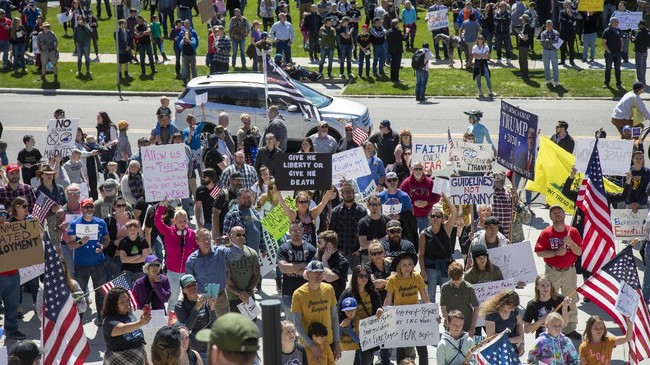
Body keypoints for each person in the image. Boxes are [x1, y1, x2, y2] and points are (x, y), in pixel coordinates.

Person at [534, 204, 583, 340]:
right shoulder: (546, 233)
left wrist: (571, 243)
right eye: (554, 212)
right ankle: (550, 326)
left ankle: (570, 328)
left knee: (571, 299)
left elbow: (579, 251)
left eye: (559, 212)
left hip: (569, 271)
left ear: (564, 214)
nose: (557, 214)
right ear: (550, 217)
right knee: (550, 299)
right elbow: (539, 252)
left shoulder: (572, 232)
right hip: (552, 271)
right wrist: (556, 253)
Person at [67, 198, 109, 326]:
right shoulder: (74, 224)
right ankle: (77, 320)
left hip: (98, 264)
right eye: (86, 207)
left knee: (101, 293)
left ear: (93, 208)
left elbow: (107, 239)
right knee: (79, 294)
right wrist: (80, 242)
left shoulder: (101, 223)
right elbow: (70, 246)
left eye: (91, 207)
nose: (89, 209)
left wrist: (102, 246)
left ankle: (101, 318)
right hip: (81, 265)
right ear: (82, 209)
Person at [185, 227, 244, 317]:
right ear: (197, 242)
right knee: (205, 328)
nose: (206, 242)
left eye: (208, 238)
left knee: (224, 327)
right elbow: (189, 283)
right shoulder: (192, 260)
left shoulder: (220, 252)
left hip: (220, 299)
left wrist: (230, 244)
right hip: (202, 300)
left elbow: (238, 256)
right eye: (203, 239)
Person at [384, 252, 430, 364]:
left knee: (422, 349)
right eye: (404, 265)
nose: (407, 267)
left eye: (409, 264)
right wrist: (384, 313)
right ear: (399, 266)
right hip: (400, 318)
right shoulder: (393, 280)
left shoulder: (417, 277)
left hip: (416, 316)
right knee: (401, 349)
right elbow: (388, 300)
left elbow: (425, 298)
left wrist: (432, 312)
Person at [291, 260, 342, 361]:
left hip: (328, 341)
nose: (318, 275)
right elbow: (297, 324)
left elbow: (334, 317)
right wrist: (311, 345)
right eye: (315, 272)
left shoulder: (329, 289)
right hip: (309, 345)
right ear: (308, 274)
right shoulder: (298, 294)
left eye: (321, 272)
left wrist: (337, 342)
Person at [155, 198, 199, 309]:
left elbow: (198, 250)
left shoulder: (191, 234)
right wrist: (161, 206)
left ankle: (189, 320)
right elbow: (157, 222)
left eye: (185, 221)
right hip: (173, 272)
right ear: (174, 221)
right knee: (173, 299)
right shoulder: (168, 232)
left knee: (190, 297)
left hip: (188, 271)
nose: (183, 223)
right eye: (180, 221)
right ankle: (172, 323)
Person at [277, 220, 317, 320]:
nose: (296, 232)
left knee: (307, 324)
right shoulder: (283, 248)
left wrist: (291, 269)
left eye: (298, 230)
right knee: (290, 326)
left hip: (307, 293)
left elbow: (311, 272)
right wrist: (303, 264)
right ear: (289, 232)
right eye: (293, 230)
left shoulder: (311, 249)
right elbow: (283, 268)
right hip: (288, 293)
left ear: (303, 231)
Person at [419, 196, 457, 301]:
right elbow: (421, 254)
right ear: (429, 218)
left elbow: (454, 212)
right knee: (430, 296)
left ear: (442, 219)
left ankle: (448, 317)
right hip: (430, 268)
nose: (435, 218)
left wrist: (445, 198)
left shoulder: (446, 228)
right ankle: (432, 317)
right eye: (433, 216)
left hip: (445, 266)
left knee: (447, 296)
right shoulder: (424, 234)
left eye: (438, 216)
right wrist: (423, 271)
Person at [175, 274, 218, 364]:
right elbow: (187, 328)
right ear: (183, 290)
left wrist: (212, 308)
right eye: (188, 286)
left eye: (193, 284)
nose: (192, 287)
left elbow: (214, 326)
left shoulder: (205, 299)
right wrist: (196, 307)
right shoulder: (180, 306)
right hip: (193, 350)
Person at [102, 287, 150, 365]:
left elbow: (139, 339)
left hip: (138, 359)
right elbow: (122, 329)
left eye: (127, 300)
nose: (126, 304)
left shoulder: (130, 316)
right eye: (122, 302)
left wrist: (146, 362)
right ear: (113, 304)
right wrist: (140, 323)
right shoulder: (109, 321)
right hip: (117, 360)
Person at [329, 181, 368, 269]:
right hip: (340, 252)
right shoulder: (336, 211)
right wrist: (336, 249)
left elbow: (366, 231)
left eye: (350, 192)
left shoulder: (362, 211)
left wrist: (360, 250)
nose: (348, 194)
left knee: (357, 279)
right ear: (341, 195)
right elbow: (331, 232)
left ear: (354, 193)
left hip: (356, 253)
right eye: (345, 192)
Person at [225, 223, 260, 313]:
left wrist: (247, 292)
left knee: (251, 324)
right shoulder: (225, 255)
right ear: (231, 237)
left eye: (243, 234)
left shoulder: (252, 253)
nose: (241, 237)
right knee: (236, 326)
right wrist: (239, 293)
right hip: (233, 298)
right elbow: (227, 279)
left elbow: (256, 275)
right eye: (238, 235)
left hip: (249, 295)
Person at [439, 261, 479, 336]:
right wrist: (448, 321)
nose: (456, 282)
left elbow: (476, 307)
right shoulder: (445, 288)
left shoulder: (469, 288)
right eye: (454, 280)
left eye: (459, 279)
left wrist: (472, 327)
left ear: (462, 275)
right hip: (451, 327)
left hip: (466, 326)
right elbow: (443, 307)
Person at [482, 289, 525, 356]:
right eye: (510, 307)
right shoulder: (491, 314)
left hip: (512, 349)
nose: (513, 310)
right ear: (503, 303)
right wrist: (510, 340)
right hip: (497, 351)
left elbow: (519, 324)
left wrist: (522, 343)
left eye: (514, 307)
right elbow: (491, 338)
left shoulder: (514, 311)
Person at [117, 219, 150, 285]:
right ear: (127, 230)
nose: (133, 231)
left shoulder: (142, 241)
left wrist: (129, 259)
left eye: (134, 229)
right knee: (126, 291)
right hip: (126, 270)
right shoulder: (123, 242)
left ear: (138, 230)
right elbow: (123, 260)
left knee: (139, 290)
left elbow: (144, 258)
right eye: (130, 229)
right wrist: (138, 256)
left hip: (140, 269)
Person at [603, 17, 623, 88]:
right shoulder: (607, 31)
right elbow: (604, 42)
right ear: (611, 23)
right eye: (614, 22)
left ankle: (618, 83)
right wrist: (608, 51)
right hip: (610, 53)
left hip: (618, 53)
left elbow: (621, 40)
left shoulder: (619, 30)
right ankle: (606, 83)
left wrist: (621, 48)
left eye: (617, 22)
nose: (616, 23)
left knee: (618, 69)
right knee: (608, 68)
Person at [540, 19, 560, 87]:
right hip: (545, 51)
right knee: (546, 66)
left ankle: (556, 81)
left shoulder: (556, 32)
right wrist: (550, 41)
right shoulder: (543, 33)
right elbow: (542, 42)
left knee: (555, 66)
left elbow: (556, 41)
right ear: (546, 25)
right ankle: (548, 80)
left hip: (553, 51)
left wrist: (547, 41)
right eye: (547, 24)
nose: (549, 26)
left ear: (552, 25)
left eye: (550, 24)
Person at [558, 0, 576, 66]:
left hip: (571, 32)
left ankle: (572, 60)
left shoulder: (573, 12)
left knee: (571, 47)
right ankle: (562, 60)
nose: (564, 5)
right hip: (563, 32)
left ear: (570, 5)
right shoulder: (561, 12)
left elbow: (574, 21)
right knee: (562, 47)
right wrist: (569, 20)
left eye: (566, 4)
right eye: (564, 4)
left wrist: (570, 15)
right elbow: (561, 20)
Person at [386, 18, 403, 83]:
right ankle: (396, 79)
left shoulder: (388, 31)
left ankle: (392, 78)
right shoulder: (398, 31)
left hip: (391, 50)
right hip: (398, 50)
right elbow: (403, 38)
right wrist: (407, 33)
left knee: (393, 64)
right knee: (397, 65)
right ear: (396, 24)